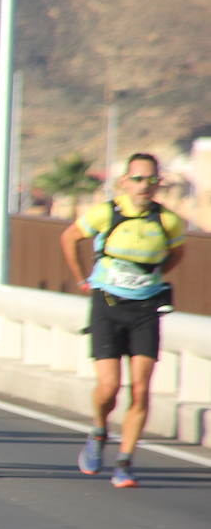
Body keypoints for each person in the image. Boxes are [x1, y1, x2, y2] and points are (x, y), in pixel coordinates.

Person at [59, 153, 186, 488]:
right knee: (109, 386)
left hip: (145, 310)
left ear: (159, 183)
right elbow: (70, 237)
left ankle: (125, 462)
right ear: (125, 182)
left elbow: (177, 253)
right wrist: (80, 278)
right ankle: (99, 429)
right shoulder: (107, 213)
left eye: (151, 180)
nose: (145, 186)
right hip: (107, 305)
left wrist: (151, 279)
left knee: (142, 389)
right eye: (139, 179)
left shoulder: (168, 221)